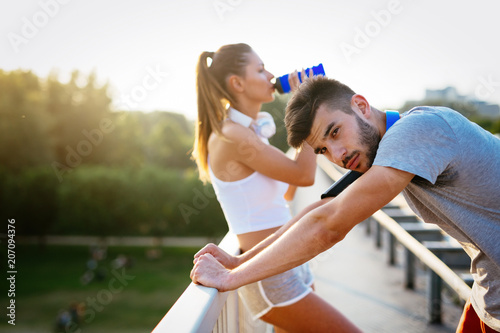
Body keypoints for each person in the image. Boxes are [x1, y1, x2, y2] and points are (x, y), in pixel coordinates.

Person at [191, 75, 500, 332]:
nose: (338, 155)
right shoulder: (383, 152)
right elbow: (321, 210)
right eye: (323, 149)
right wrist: (237, 262)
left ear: (361, 106)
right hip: (488, 289)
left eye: (335, 131)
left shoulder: (417, 131)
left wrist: (231, 279)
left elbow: (330, 226)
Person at [191, 44, 361, 332]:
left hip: (286, 261)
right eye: (260, 69)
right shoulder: (233, 136)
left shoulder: (247, 131)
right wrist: (308, 109)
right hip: (269, 276)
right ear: (237, 83)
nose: (270, 75)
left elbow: (288, 190)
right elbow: (304, 176)